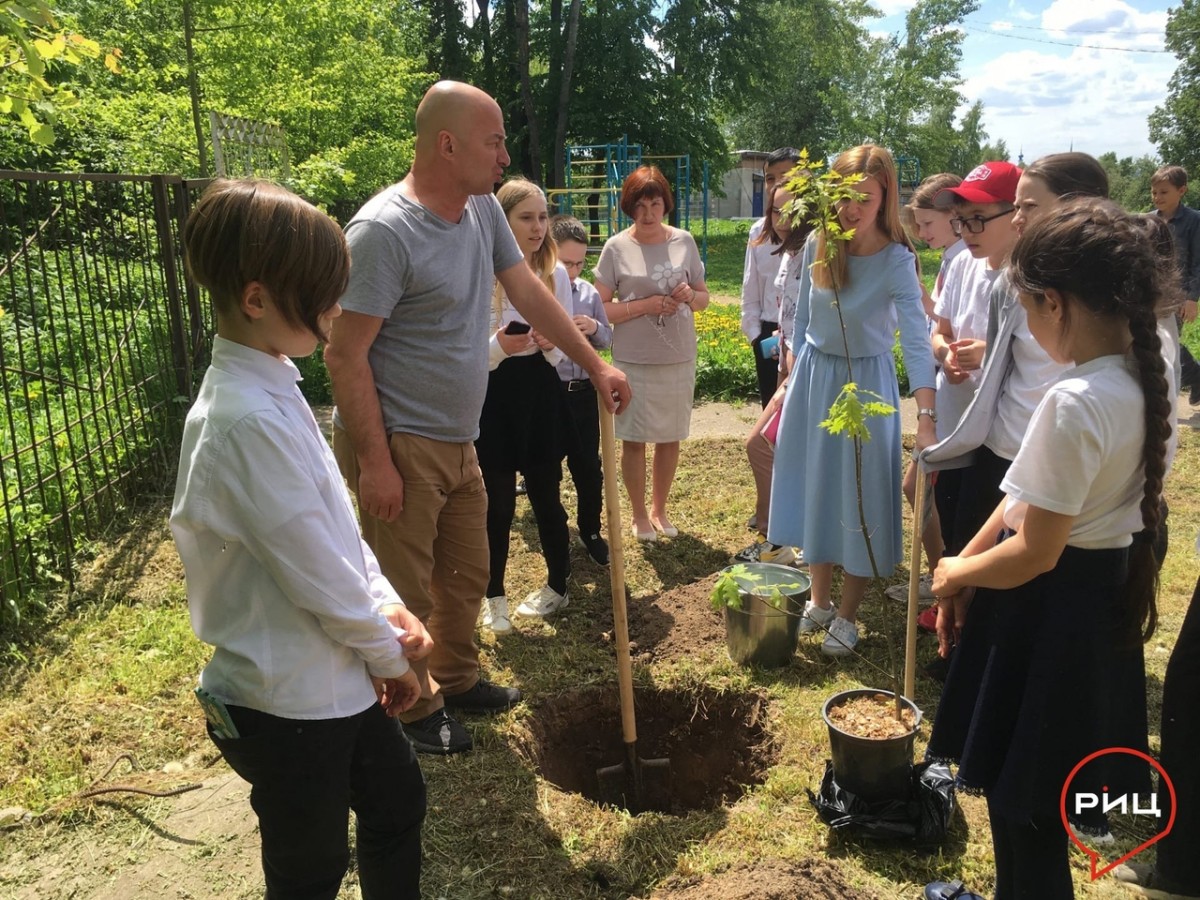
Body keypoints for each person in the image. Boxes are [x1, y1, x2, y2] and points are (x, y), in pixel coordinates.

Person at [325, 81, 631, 756]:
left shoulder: (481, 214)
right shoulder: (383, 232)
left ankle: (456, 678)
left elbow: (528, 291)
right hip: (402, 442)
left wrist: (598, 363)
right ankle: (413, 708)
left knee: (465, 571)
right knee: (401, 587)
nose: (503, 157)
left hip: (462, 436)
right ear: (447, 144)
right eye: (493, 141)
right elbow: (344, 356)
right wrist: (375, 461)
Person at [171, 179, 432, 899]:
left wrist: (389, 606)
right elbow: (314, 571)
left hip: (335, 674)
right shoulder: (243, 421)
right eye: (321, 301)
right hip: (287, 701)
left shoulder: (276, 379)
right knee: (309, 866)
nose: (336, 314)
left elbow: (334, 527)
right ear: (256, 300)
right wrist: (392, 658)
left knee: (396, 803)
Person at [925, 199, 1170, 900]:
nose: (1028, 327)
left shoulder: (1075, 401)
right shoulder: (1143, 374)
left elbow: (1034, 549)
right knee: (1041, 790)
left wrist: (954, 571)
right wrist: (971, 562)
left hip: (1047, 610)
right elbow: (1024, 494)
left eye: (1028, 310)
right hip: (1098, 598)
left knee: (1020, 799)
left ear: (1055, 303)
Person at [767, 144, 938, 657]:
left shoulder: (896, 260)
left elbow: (914, 337)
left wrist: (925, 415)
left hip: (865, 384)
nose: (852, 209)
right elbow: (800, 319)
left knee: (860, 494)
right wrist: (789, 379)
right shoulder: (821, 242)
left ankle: (848, 613)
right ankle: (819, 600)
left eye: (865, 198)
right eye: (843, 198)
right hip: (814, 380)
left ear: (885, 196)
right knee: (818, 486)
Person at [477, 179, 575, 634]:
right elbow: (466, 351)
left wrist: (551, 345)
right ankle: (493, 595)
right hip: (491, 395)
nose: (538, 228)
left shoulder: (554, 273)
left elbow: (566, 350)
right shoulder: (477, 272)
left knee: (545, 494)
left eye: (542, 218)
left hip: (538, 394)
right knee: (495, 505)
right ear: (502, 220)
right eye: (526, 218)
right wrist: (499, 347)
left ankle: (558, 583)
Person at [594, 164, 709, 542]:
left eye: (655, 204)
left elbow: (703, 297)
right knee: (635, 438)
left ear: (666, 205)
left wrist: (690, 296)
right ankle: (639, 515)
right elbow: (600, 309)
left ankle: (660, 509)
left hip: (678, 356)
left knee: (670, 436)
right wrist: (645, 305)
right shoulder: (616, 247)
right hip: (633, 359)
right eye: (640, 206)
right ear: (629, 206)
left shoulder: (684, 242)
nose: (648, 214)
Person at [886, 172, 967, 605]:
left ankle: (942, 582)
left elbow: (952, 328)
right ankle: (939, 578)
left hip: (954, 402)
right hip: (946, 391)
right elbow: (943, 321)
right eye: (916, 224)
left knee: (923, 489)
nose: (920, 233)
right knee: (917, 487)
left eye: (927, 224)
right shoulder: (953, 258)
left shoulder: (964, 259)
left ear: (955, 216)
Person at [735, 182, 811, 565]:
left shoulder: (816, 253)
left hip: (806, 371)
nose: (781, 221)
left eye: (789, 211)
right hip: (786, 362)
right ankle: (779, 538)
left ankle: (783, 540)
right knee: (773, 447)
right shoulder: (789, 252)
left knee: (763, 445)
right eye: (775, 211)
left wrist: (793, 374)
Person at [549, 214, 613, 567]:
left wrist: (593, 327)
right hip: (551, 392)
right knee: (549, 470)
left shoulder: (588, 294)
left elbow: (607, 338)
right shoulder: (540, 290)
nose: (573, 271)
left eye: (579, 263)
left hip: (583, 392)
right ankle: (555, 535)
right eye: (566, 263)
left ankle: (590, 530)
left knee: (589, 467)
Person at [742, 147, 802, 409]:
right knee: (772, 415)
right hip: (769, 338)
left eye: (786, 176)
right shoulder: (759, 232)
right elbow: (750, 290)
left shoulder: (818, 235)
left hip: (804, 339)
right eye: (770, 178)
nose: (777, 184)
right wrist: (756, 337)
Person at [1150, 164, 1200, 404]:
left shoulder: (1194, 221)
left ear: (1182, 190)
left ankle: (1182, 384)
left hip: (1178, 293)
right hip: (1152, 292)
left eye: (1164, 192)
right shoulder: (1150, 220)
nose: (1157, 197)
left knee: (1167, 341)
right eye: (1154, 192)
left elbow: (1198, 263)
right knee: (1154, 338)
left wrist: (1192, 298)